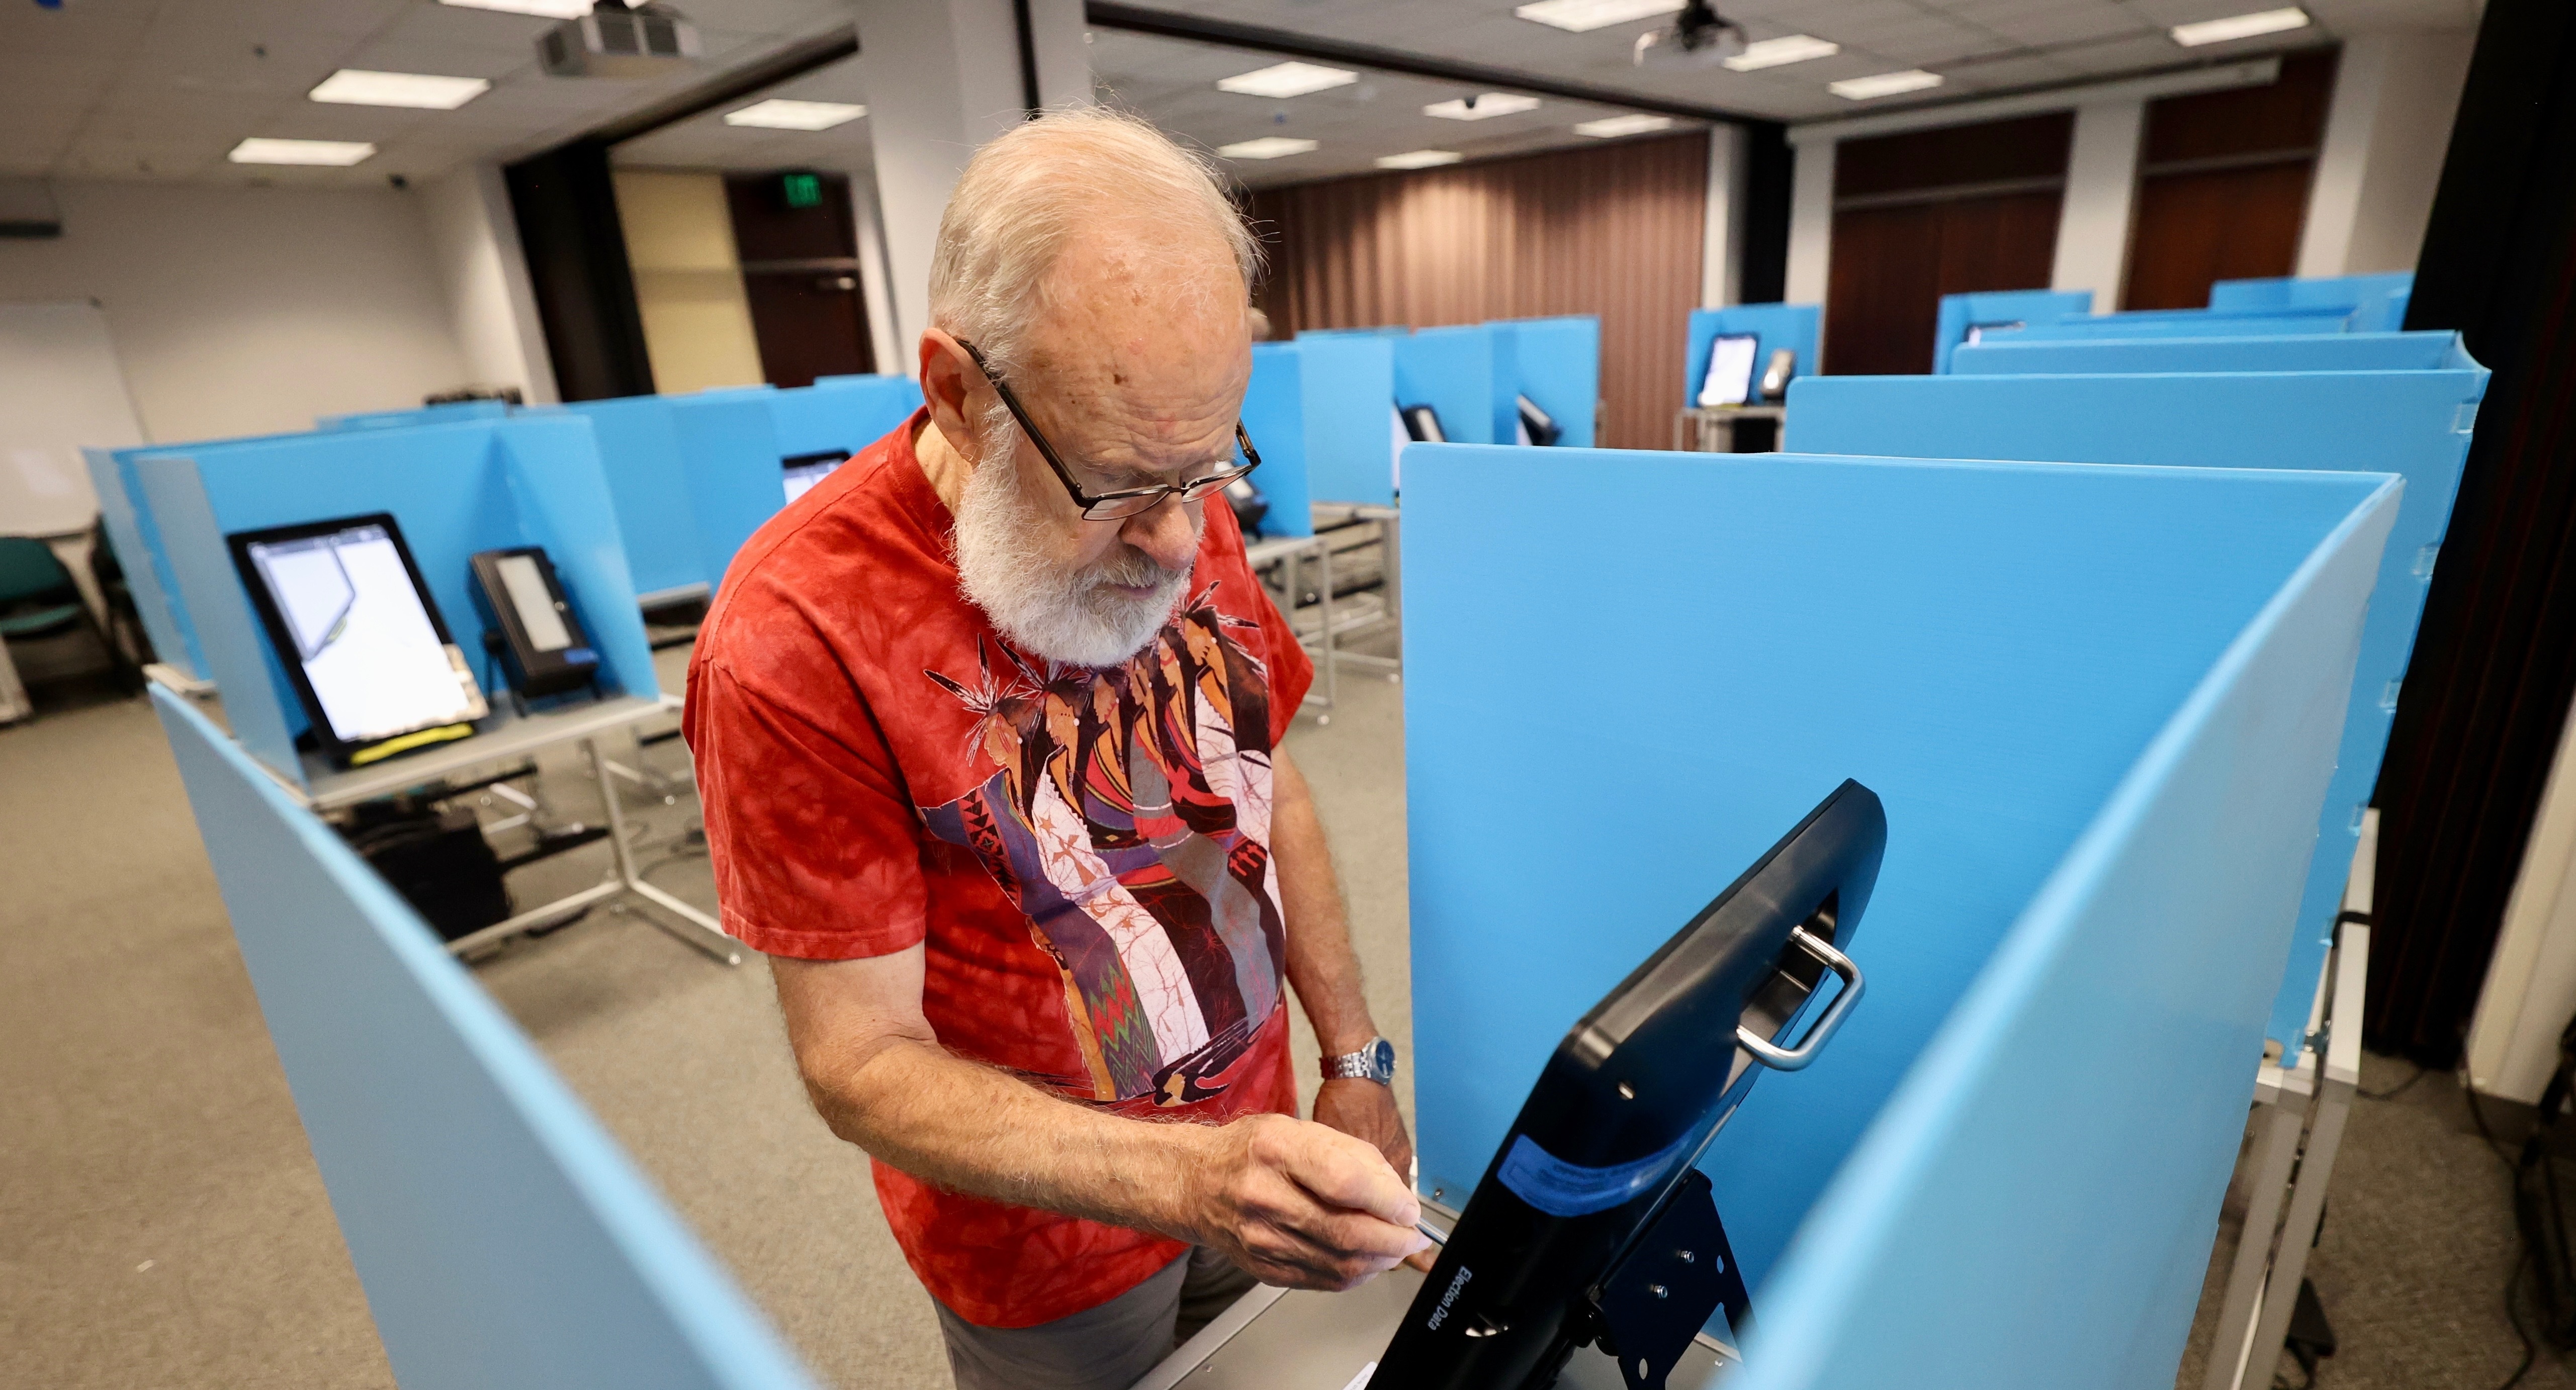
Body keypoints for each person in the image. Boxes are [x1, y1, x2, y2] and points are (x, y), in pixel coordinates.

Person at [683, 107, 1428, 1390]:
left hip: (1261, 1155)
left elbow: (1268, 783)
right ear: (961, 397)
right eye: (1119, 483)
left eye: (1210, 467)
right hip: (1046, 1252)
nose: (1181, 538)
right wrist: (1190, 1176)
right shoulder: (796, 634)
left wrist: (1350, 1058)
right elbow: (860, 1062)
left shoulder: (1176, 495)